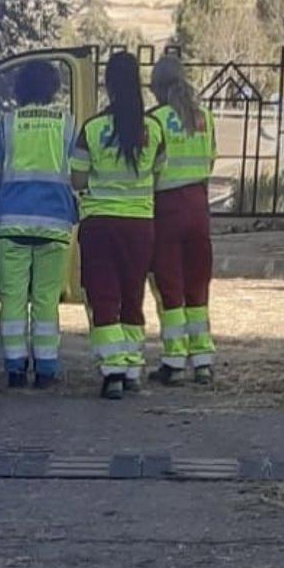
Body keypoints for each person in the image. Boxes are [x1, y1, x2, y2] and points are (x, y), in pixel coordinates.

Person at [70, 52, 165, 400]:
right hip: (140, 225)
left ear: (108, 85)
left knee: (104, 296)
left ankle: (111, 372)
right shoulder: (153, 130)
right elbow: (159, 173)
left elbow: (77, 179)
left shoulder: (92, 130)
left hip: (99, 225)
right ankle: (132, 367)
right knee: (132, 295)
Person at [0, 61, 77, 389]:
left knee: (12, 297)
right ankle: (46, 368)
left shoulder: (8, 124)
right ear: (53, 88)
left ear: (20, 88)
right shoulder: (67, 125)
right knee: (45, 298)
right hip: (54, 223)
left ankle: (14, 366)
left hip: (12, 221)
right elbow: (77, 168)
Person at [147, 54, 219, 385]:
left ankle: (174, 362)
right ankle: (202, 360)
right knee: (198, 286)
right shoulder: (205, 117)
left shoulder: (156, 120)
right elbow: (211, 161)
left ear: (156, 87)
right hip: (199, 208)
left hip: (167, 209)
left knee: (171, 288)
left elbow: (151, 166)